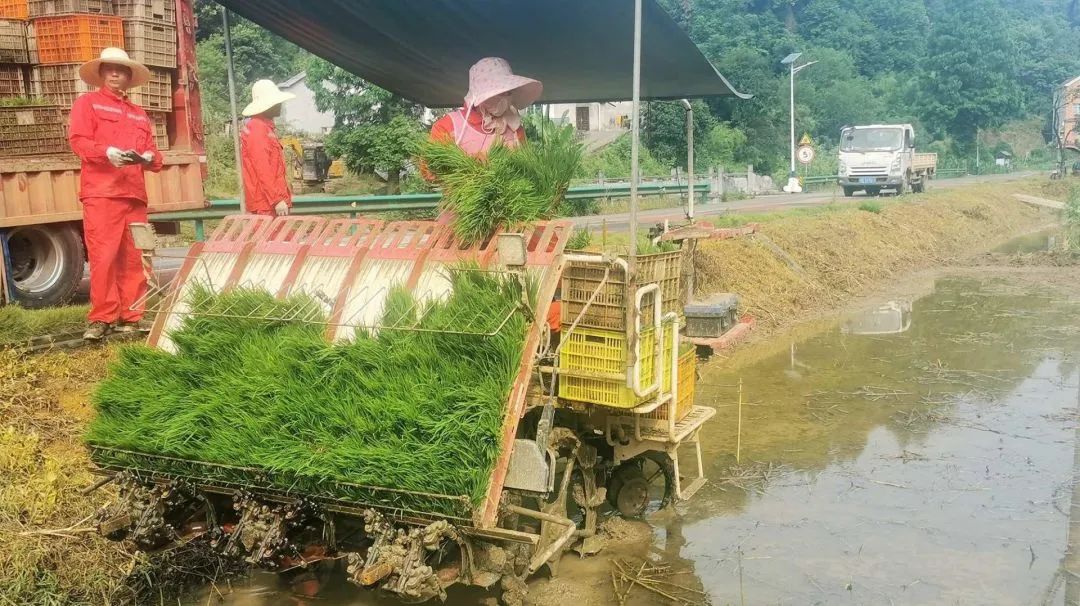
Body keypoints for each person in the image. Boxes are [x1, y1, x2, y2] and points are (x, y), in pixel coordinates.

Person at [68, 47, 163, 340]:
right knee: (103, 257)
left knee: (135, 258)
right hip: (101, 194)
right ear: (100, 73)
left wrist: (147, 158)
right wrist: (106, 152)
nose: (114, 74)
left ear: (129, 76)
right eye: (109, 68)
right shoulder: (88, 104)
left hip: (134, 196)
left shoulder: (139, 114)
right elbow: (78, 141)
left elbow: (156, 158)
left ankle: (132, 316)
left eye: (120, 70)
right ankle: (102, 318)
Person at [428, 57, 543, 157]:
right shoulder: (448, 126)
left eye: (508, 92)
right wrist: (471, 165)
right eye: (499, 92)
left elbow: (526, 170)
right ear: (481, 94)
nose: (505, 97)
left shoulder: (514, 127)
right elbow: (430, 171)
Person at [240, 79, 295, 216]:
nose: (280, 105)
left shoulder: (265, 127)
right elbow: (263, 168)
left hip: (270, 202)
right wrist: (276, 200)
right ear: (268, 105)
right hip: (266, 204)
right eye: (276, 102)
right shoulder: (258, 128)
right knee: (274, 237)